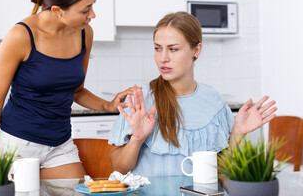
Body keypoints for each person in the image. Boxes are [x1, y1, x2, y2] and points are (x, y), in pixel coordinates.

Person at [0, 0, 137, 190]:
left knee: (78, 193)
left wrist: (109, 104)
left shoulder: (85, 32)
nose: (92, 15)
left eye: (92, 5)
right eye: (85, 9)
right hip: (18, 146)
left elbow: (76, 90)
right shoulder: (21, 35)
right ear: (57, 10)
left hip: (60, 146)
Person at [108, 11, 277, 176]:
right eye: (158, 48)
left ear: (196, 51)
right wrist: (136, 139)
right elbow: (119, 168)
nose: (163, 58)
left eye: (173, 49)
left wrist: (238, 133)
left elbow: (217, 173)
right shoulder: (141, 99)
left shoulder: (213, 100)